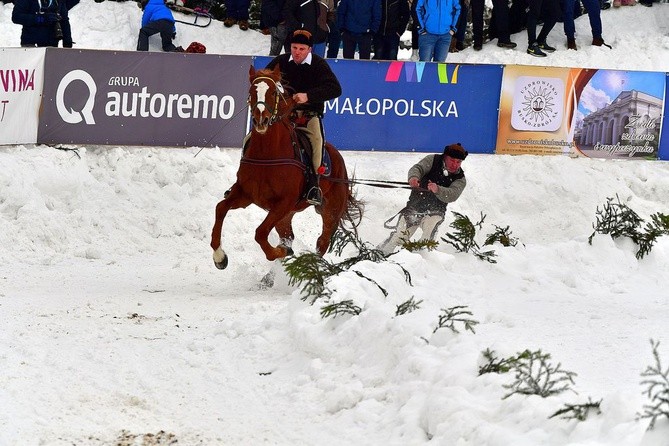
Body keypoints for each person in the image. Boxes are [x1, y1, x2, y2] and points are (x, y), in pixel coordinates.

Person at [265, 29, 342, 206]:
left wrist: (309, 96)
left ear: (309, 49)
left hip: (308, 116)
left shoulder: (318, 64)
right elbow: (265, 78)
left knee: (316, 141)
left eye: (301, 48)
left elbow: (335, 89)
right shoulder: (281, 61)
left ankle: (314, 185)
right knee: (253, 136)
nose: (297, 52)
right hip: (283, 117)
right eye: (294, 47)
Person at [378, 143, 468, 255]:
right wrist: (414, 178)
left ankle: (423, 260)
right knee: (399, 237)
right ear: (445, 156)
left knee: (427, 239)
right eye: (452, 160)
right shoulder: (433, 160)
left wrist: (438, 189)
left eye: (458, 162)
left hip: (436, 212)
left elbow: (452, 194)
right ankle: (381, 254)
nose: (455, 165)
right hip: (414, 207)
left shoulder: (460, 179)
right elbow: (417, 168)